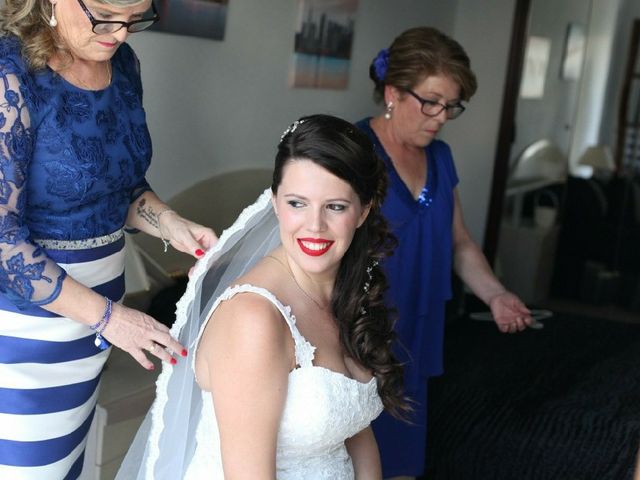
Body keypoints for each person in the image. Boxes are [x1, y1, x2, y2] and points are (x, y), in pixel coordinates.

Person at [117, 114, 407, 479]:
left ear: (363, 211)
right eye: (297, 203)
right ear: (274, 203)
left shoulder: (346, 290)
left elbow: (355, 432)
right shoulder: (253, 318)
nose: (314, 226)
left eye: (335, 206)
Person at [0, 1, 217, 478]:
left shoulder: (122, 66)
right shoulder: (9, 74)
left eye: (136, 17)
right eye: (104, 15)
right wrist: (110, 318)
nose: (119, 34)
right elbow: (2, 242)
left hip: (93, 333)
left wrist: (170, 223)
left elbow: (119, 189)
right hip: (23, 337)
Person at [355, 26, 533, 479]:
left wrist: (495, 295)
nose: (441, 117)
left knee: (402, 462)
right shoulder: (353, 152)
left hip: (417, 327)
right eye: (430, 102)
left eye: (451, 106)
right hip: (361, 333)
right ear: (393, 92)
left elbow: (459, 243)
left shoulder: (441, 157)